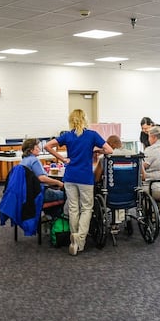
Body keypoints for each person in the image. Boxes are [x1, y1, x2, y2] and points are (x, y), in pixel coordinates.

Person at [45, 109, 113, 256]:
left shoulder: (67, 136)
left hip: (70, 177)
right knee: (87, 208)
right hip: (85, 178)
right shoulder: (92, 135)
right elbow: (110, 150)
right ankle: (80, 241)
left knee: (73, 208)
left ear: (72, 120)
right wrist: (97, 151)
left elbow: (47, 146)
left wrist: (62, 159)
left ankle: (73, 237)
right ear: (85, 119)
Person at [20, 138, 64, 202]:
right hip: (39, 193)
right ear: (31, 150)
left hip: (27, 193)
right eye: (37, 147)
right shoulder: (34, 160)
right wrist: (59, 183)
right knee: (66, 194)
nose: (40, 149)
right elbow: (42, 178)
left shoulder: (24, 161)